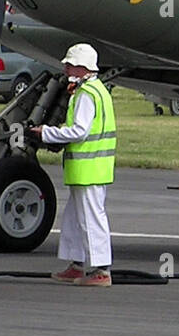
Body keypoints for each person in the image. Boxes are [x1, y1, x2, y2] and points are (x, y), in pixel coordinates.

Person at [31, 43, 117, 287]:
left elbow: (79, 131)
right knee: (75, 217)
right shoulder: (97, 90)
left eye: (69, 63)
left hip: (88, 169)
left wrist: (46, 133)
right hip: (89, 169)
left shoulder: (86, 94)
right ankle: (76, 265)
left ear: (82, 67)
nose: (65, 66)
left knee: (90, 218)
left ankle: (101, 270)